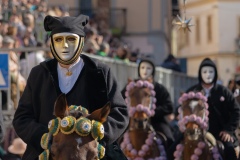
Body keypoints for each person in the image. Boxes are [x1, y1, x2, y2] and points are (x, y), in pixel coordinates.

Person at [12, 14, 129, 160]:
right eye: (59, 40)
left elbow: (120, 113)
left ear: (81, 41)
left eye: (71, 39)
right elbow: (22, 118)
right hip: (47, 152)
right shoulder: (39, 73)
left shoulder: (100, 71)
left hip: (92, 152)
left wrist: (98, 133)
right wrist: (45, 137)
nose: (65, 45)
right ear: (52, 43)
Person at [186, 58, 240, 160]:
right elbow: (182, 108)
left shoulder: (224, 91)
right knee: (173, 147)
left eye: (211, 71)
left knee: (229, 150)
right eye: (205, 72)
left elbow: (236, 111)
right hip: (196, 132)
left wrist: (228, 130)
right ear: (200, 74)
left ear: (215, 73)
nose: (208, 75)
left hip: (221, 132)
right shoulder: (192, 91)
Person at [121, 58, 174, 146]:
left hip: (156, 121)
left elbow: (169, 106)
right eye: (142, 67)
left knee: (169, 139)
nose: (145, 70)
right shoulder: (131, 86)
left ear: (153, 70)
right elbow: (120, 102)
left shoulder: (159, 88)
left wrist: (153, 112)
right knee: (117, 138)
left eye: (148, 68)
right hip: (133, 121)